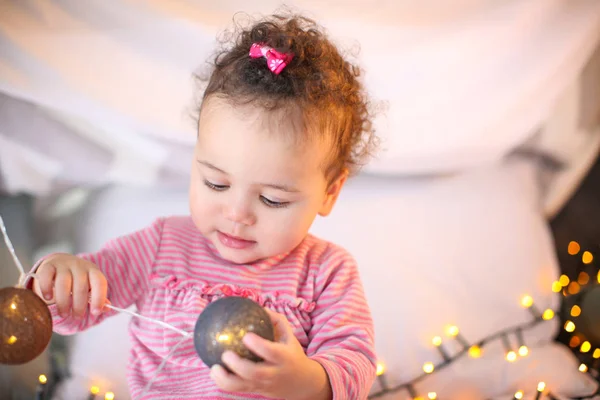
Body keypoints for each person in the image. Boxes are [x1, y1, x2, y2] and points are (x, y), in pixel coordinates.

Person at [29, 13, 378, 400]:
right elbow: (74, 309)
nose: (237, 214)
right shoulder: (162, 247)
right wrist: (60, 278)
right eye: (216, 183)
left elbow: (355, 366)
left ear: (330, 192)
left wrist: (305, 380)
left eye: (271, 199)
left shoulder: (327, 273)